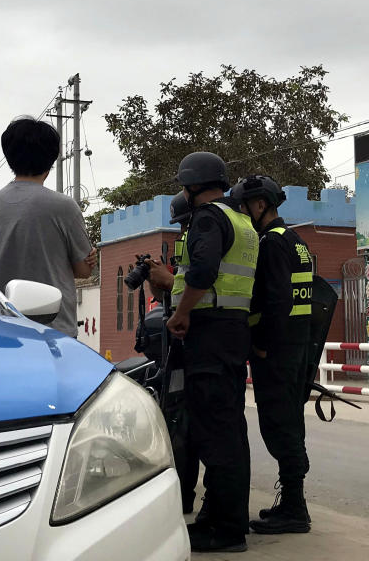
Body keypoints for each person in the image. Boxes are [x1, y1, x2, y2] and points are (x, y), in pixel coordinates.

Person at [166, 152, 258, 554]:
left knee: (214, 431)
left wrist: (181, 313)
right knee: (230, 427)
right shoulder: (243, 221)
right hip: (233, 332)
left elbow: (202, 273)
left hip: (209, 331)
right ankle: (221, 518)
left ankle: (226, 530)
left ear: (190, 187)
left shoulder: (206, 218)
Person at [231, 175, 313, 535]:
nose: (243, 212)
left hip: (276, 351)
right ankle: (293, 503)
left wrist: (261, 341)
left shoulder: (270, 244)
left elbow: (277, 300)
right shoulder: (295, 241)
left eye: (245, 206)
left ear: (260, 205)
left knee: (279, 426)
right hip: (295, 347)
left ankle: (294, 509)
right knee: (290, 423)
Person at [0, 116, 96, 337]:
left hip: (4, 323)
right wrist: (90, 258)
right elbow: (83, 270)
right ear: (51, 159)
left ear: (9, 155)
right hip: (53, 327)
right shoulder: (63, 206)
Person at [141, 191, 200, 516]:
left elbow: (202, 283)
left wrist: (170, 279)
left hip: (198, 344)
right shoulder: (191, 243)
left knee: (189, 427)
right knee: (178, 423)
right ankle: (183, 495)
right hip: (181, 349)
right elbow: (176, 288)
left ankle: (192, 498)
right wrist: (158, 279)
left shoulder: (209, 236)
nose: (181, 231)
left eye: (184, 224)